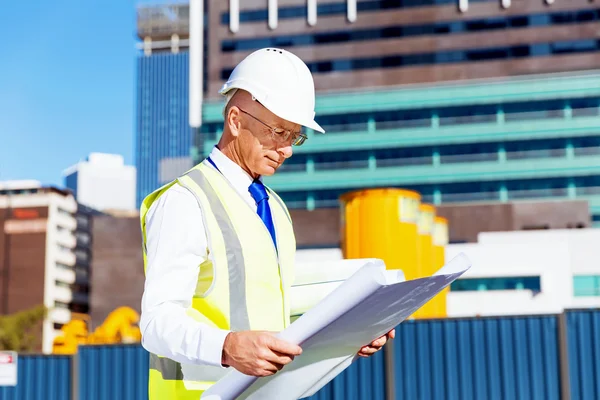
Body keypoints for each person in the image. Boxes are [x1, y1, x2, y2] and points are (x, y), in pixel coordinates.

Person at [139, 48, 394, 400]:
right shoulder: (185, 201)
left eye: (294, 136)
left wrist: (352, 331)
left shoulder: (274, 207)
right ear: (235, 120)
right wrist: (227, 347)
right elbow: (156, 323)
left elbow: (279, 307)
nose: (287, 149)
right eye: (278, 132)